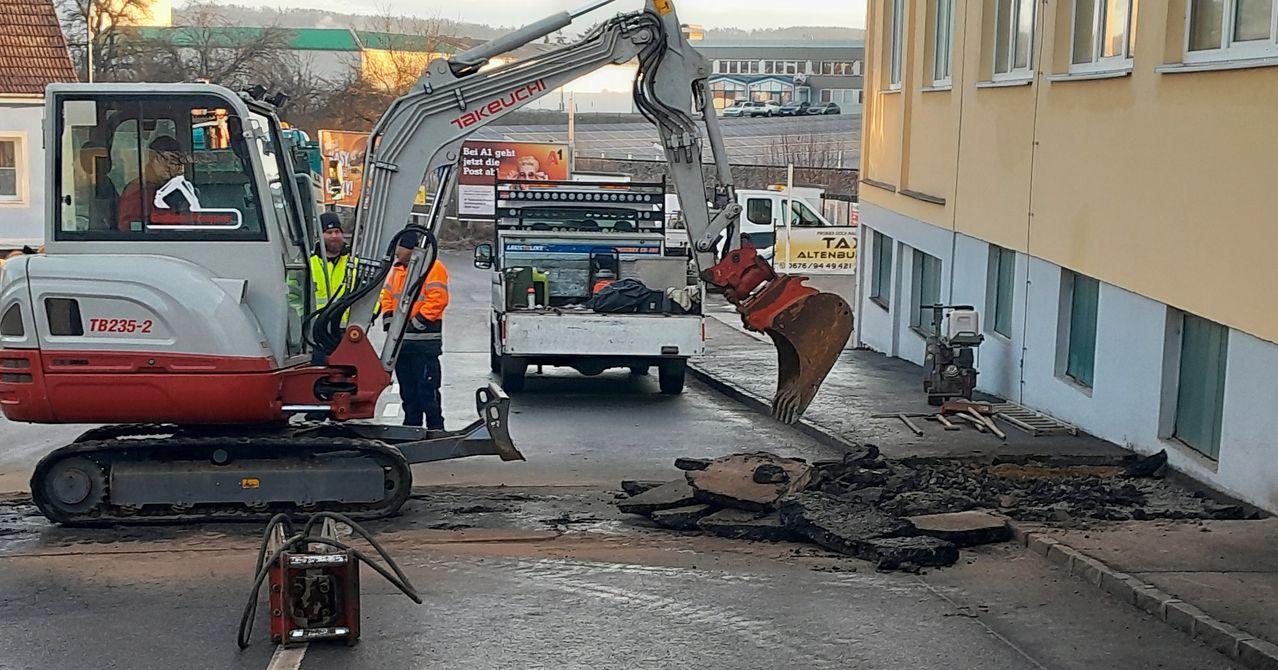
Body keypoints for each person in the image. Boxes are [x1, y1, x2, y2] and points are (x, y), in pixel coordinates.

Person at [380, 234, 449, 430]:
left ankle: (435, 427)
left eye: (398, 248)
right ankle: (412, 425)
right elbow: (387, 296)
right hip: (402, 344)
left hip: (423, 344)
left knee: (427, 389)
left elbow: (438, 299)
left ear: (410, 249)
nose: (395, 252)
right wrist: (389, 320)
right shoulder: (396, 271)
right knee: (408, 391)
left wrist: (416, 324)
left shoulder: (433, 268)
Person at [118, 136, 186, 232]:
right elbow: (129, 229)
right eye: (168, 160)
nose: (173, 167)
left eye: (177, 162)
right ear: (152, 157)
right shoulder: (138, 192)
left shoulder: (167, 189)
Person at [312, 212, 351, 310]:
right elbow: (294, 295)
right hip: (315, 323)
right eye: (329, 232)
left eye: (337, 231)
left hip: (348, 324)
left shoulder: (353, 262)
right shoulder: (310, 263)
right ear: (320, 235)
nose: (334, 236)